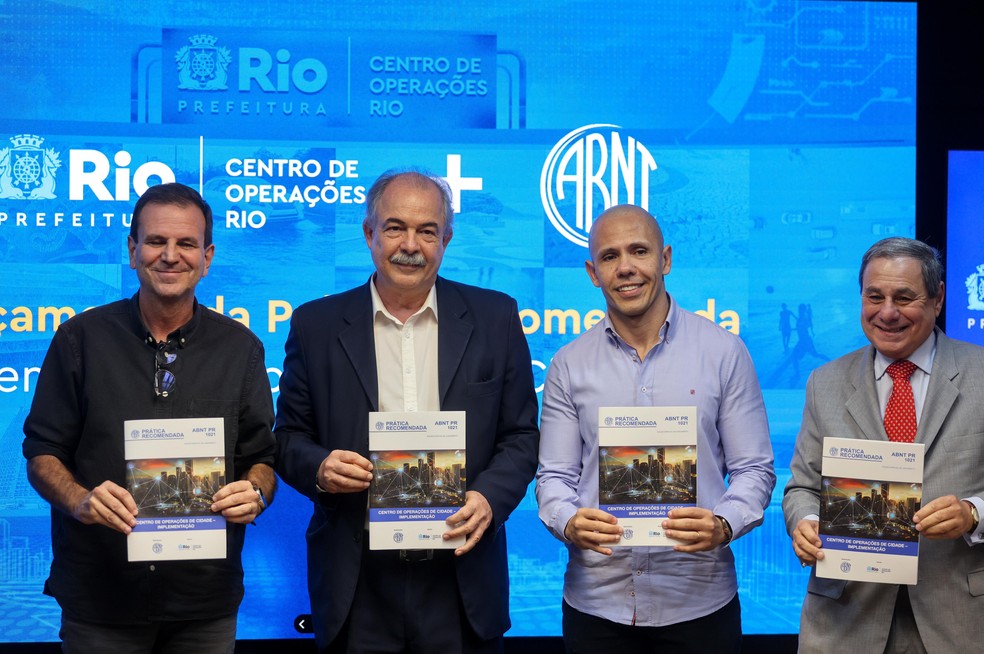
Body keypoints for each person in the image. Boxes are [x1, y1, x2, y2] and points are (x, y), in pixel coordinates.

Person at [274, 169, 539, 653]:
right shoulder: (315, 324)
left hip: (462, 577)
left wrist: (488, 498)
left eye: (427, 230)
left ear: (448, 238)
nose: (410, 245)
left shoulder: (495, 316)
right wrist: (320, 467)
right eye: (395, 227)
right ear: (369, 233)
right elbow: (288, 437)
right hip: (358, 580)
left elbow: (521, 435)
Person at [22, 182, 276, 654]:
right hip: (101, 597)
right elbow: (41, 453)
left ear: (208, 256)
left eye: (186, 244)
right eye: (156, 241)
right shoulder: (79, 340)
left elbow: (261, 458)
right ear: (132, 249)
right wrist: (80, 501)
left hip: (204, 600)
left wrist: (256, 491)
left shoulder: (241, 348)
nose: (170, 256)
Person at [536, 204, 775, 653]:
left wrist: (724, 523)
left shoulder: (724, 353)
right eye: (609, 257)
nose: (626, 268)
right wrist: (569, 522)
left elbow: (754, 470)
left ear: (665, 259)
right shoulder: (568, 364)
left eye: (639, 251)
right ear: (592, 272)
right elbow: (553, 477)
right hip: (597, 608)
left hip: (700, 605)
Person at [783, 237, 984, 653]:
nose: (887, 312)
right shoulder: (826, 383)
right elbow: (802, 487)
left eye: (904, 297)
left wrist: (972, 513)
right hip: (845, 620)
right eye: (874, 297)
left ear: (939, 297)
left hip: (959, 621)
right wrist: (804, 523)